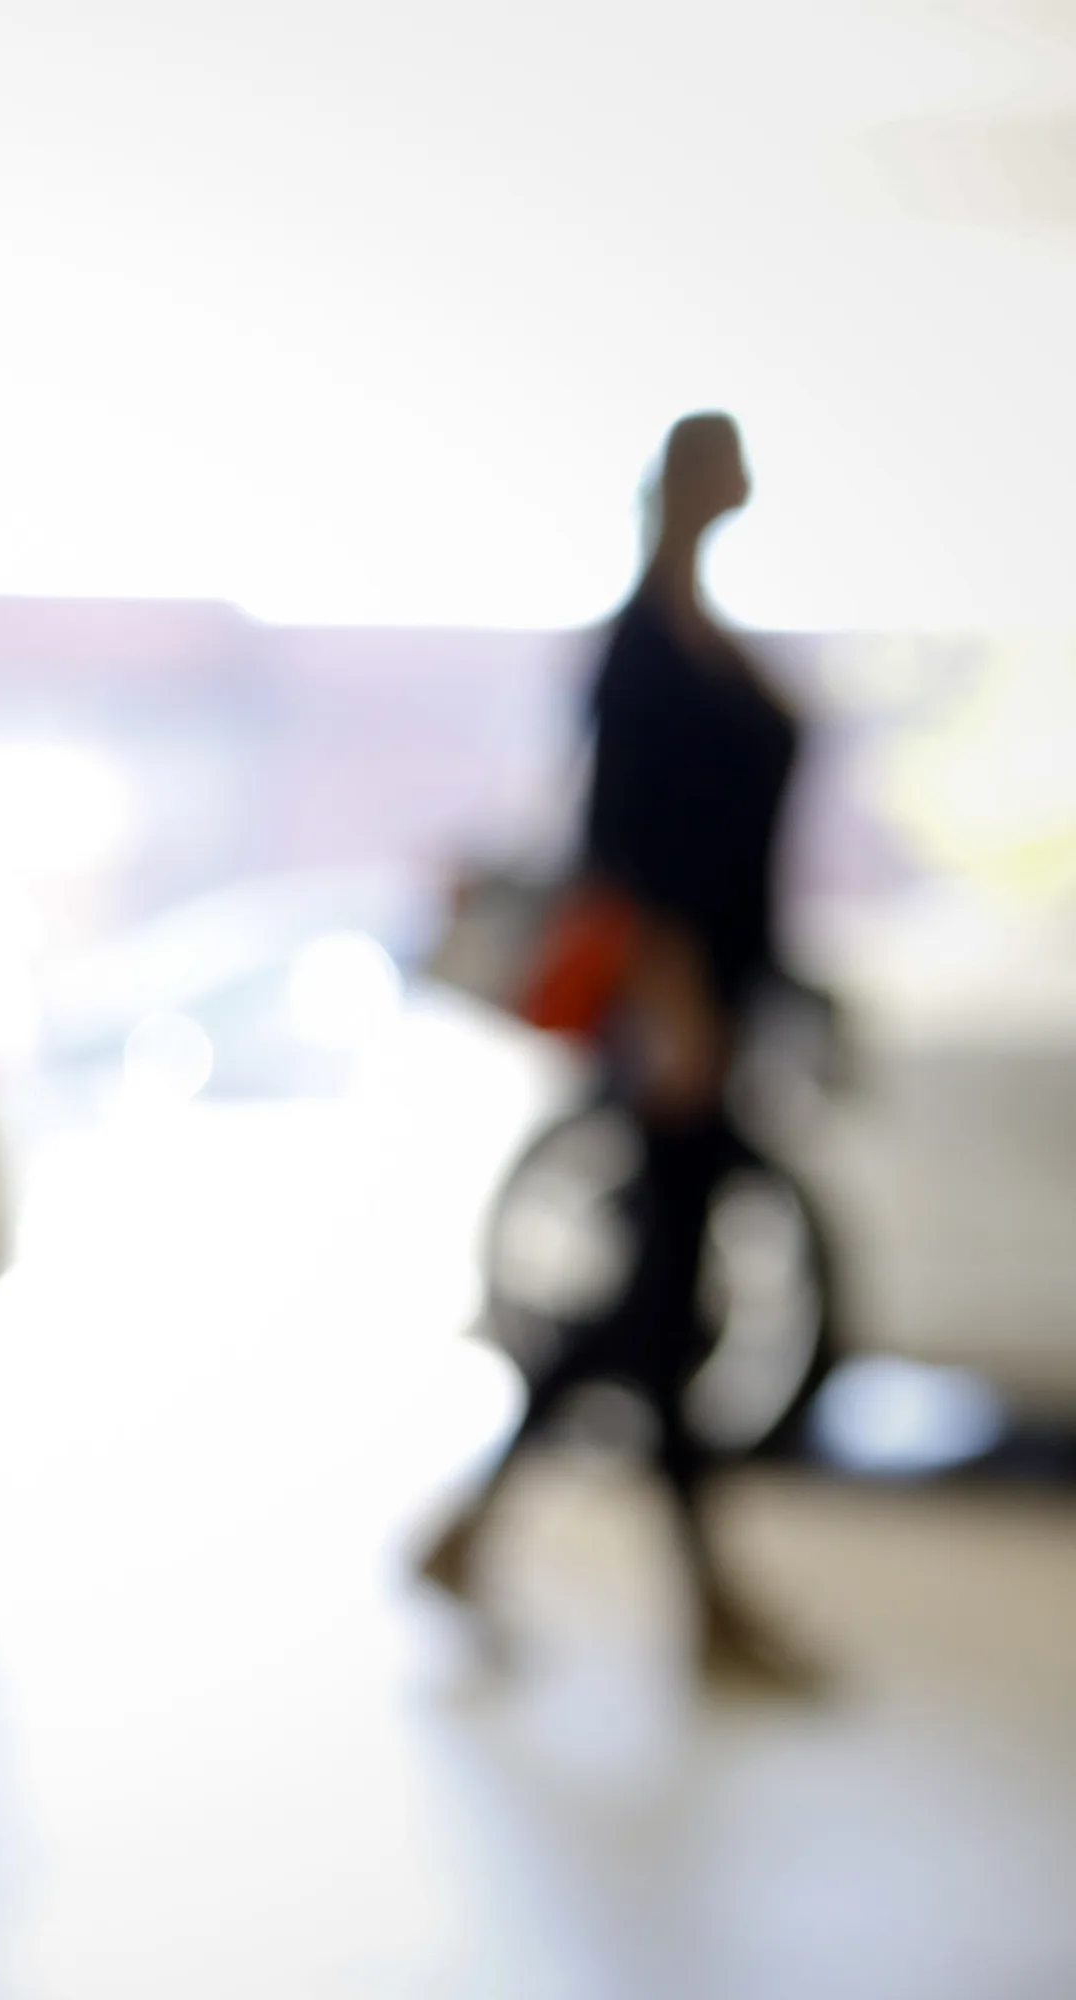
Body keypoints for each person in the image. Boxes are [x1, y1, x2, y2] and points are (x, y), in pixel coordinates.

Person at [419, 411, 818, 1692]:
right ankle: (697, 1596)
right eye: (726, 458)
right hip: (667, 1025)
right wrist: (676, 1007)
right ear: (690, 482)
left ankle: (475, 1532)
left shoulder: (707, 641)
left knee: (655, 1297)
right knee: (665, 1295)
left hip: (721, 1004)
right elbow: (624, 846)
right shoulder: (644, 650)